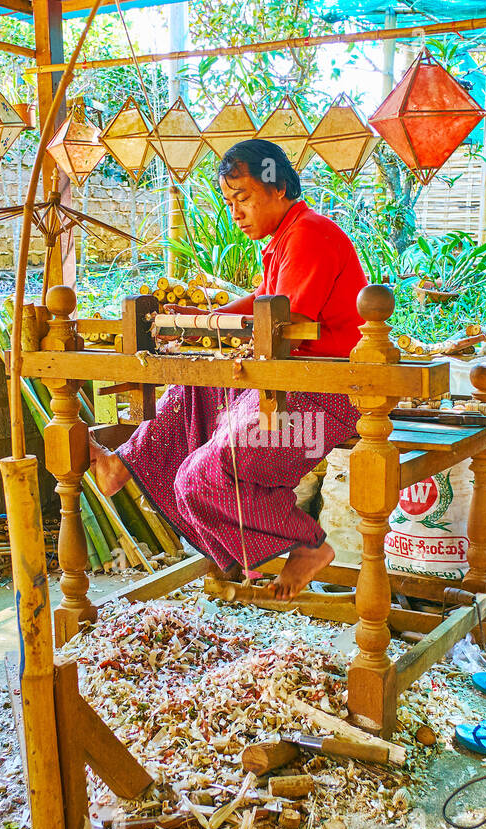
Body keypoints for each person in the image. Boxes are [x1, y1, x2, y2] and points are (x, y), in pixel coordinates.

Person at [90, 139, 368, 600]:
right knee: (195, 387)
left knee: (200, 476)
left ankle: (308, 543)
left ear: (276, 187)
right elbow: (263, 302)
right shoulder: (286, 238)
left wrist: (211, 329)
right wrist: (197, 323)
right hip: (291, 380)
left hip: (326, 393)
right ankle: (123, 463)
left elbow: (282, 321)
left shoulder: (310, 235)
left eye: (242, 198)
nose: (235, 213)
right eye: (229, 202)